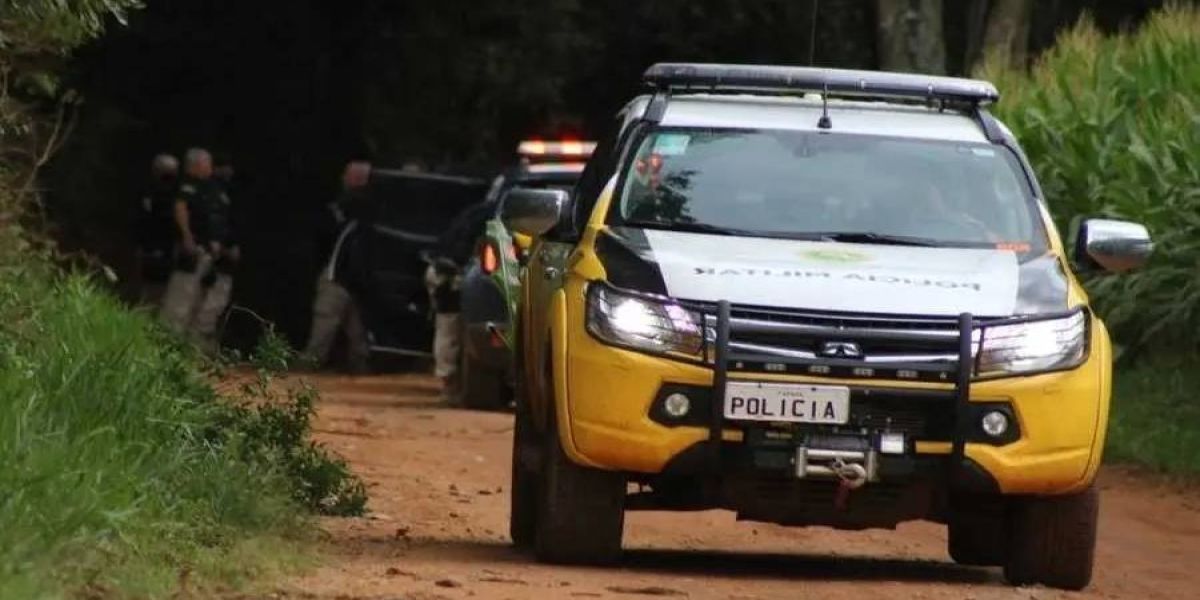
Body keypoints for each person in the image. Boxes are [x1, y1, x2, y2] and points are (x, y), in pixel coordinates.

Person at [301, 160, 373, 373]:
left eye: (347, 175)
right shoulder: (374, 208)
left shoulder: (347, 205)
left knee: (326, 321)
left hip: (338, 274)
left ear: (357, 179)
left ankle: (308, 366)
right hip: (358, 277)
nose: (343, 179)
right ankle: (361, 368)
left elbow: (324, 236)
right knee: (357, 327)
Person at [426, 195, 498, 403]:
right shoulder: (489, 218)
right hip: (449, 274)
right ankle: (449, 384)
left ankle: (450, 383)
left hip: (447, 270)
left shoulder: (478, 212)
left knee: (449, 327)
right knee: (449, 326)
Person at [158, 147, 224, 350]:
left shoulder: (208, 187)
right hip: (192, 247)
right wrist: (187, 236)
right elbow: (181, 208)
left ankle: (186, 342)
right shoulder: (187, 185)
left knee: (197, 296)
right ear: (196, 165)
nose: (210, 168)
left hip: (205, 249)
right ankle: (167, 338)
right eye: (207, 163)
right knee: (181, 293)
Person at [188, 152, 240, 352]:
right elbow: (206, 219)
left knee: (216, 298)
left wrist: (231, 245)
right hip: (206, 249)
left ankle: (200, 339)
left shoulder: (227, 192)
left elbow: (227, 222)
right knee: (194, 295)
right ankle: (190, 340)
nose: (228, 171)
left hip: (223, 253)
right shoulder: (205, 188)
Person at [135, 153, 179, 307]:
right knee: (151, 287)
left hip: (163, 245)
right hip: (153, 244)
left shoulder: (174, 193)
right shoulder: (151, 191)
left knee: (159, 288)